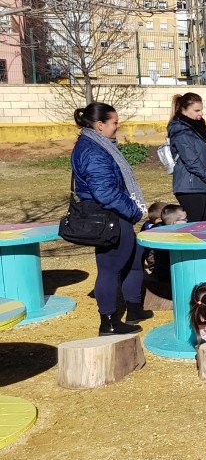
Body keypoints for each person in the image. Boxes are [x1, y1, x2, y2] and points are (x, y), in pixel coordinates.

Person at [70, 102, 153, 335]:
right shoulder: (93, 151)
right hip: (108, 217)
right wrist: (133, 211)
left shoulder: (99, 145)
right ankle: (108, 322)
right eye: (114, 122)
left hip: (116, 215)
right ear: (99, 125)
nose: (118, 126)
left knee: (134, 258)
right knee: (110, 268)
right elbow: (105, 193)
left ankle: (134, 307)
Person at [168, 92, 206, 222]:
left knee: (203, 226)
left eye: (201, 110)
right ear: (183, 110)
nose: (201, 114)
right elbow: (191, 161)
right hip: (190, 187)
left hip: (205, 185)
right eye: (196, 110)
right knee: (193, 228)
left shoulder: (199, 128)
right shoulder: (180, 130)